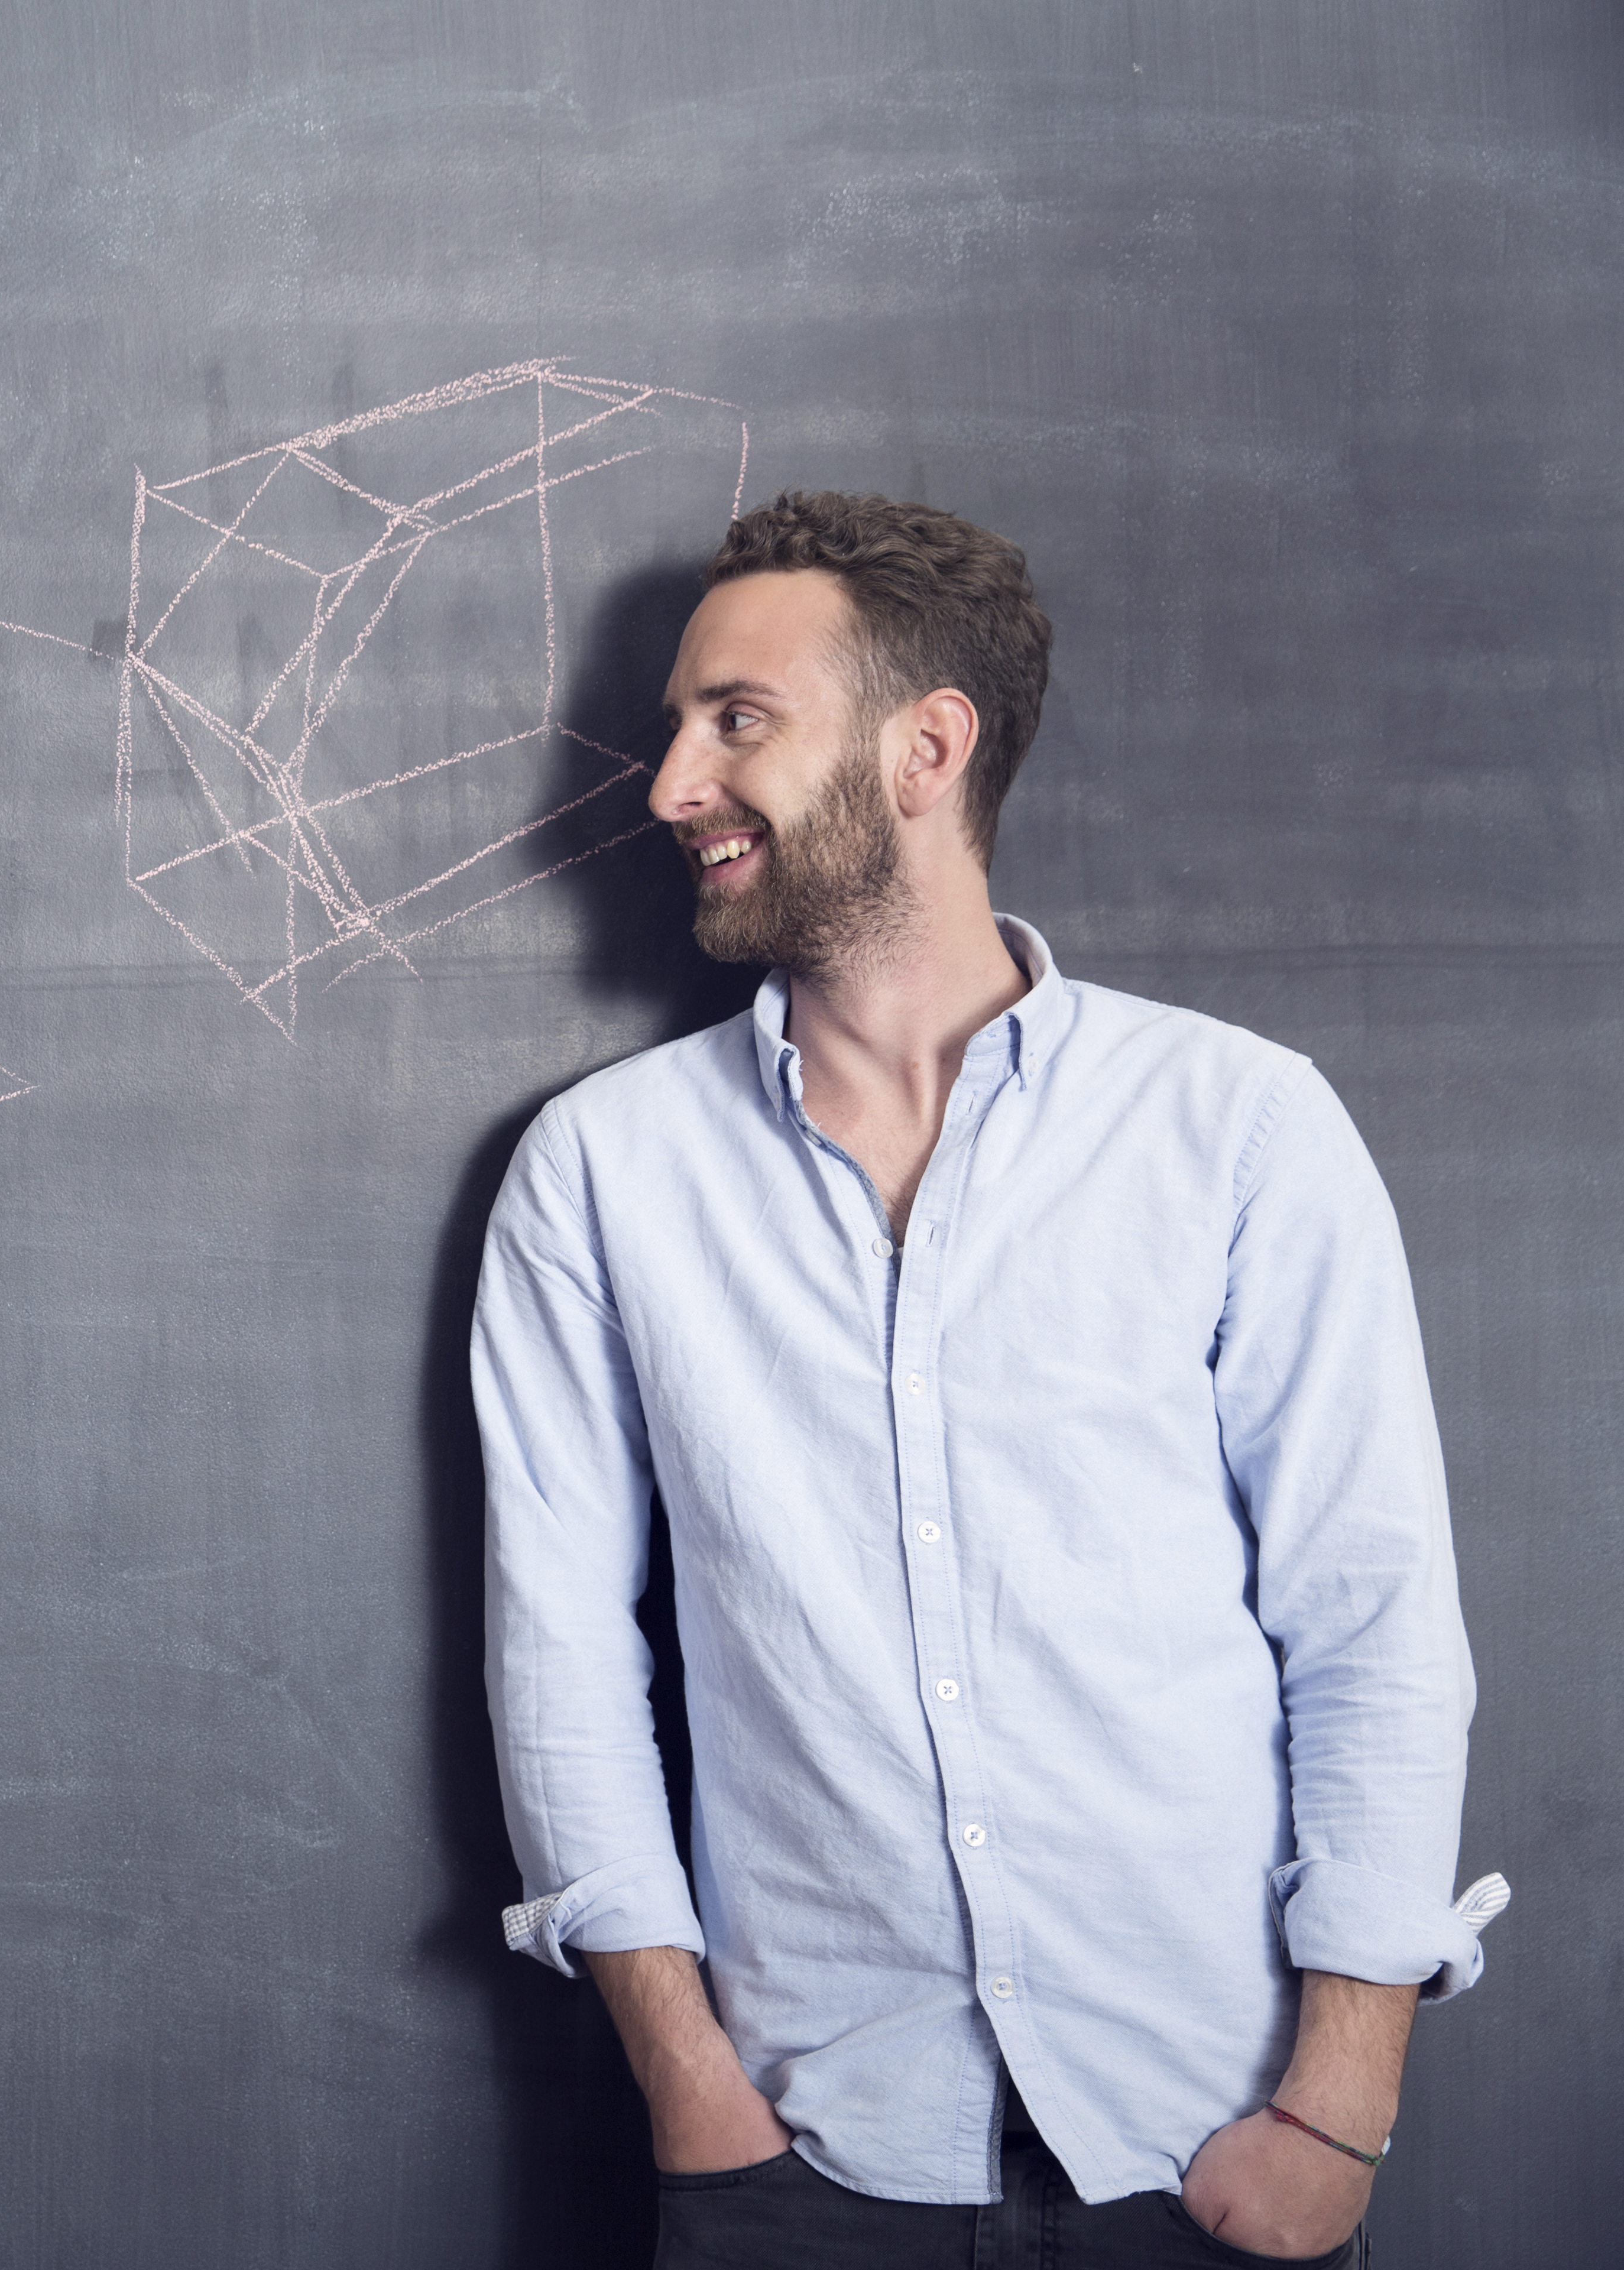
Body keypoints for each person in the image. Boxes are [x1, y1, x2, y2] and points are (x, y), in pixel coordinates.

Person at [469, 492, 1502, 2266]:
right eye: (675, 729)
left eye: (739, 721)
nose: (669, 789)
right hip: (803, 2156)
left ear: (923, 747)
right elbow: (559, 1648)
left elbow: (1373, 1624)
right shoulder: (602, 1172)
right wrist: (693, 2095)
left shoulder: (1239, 1129)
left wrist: (1341, 2106)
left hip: (1211, 2145)